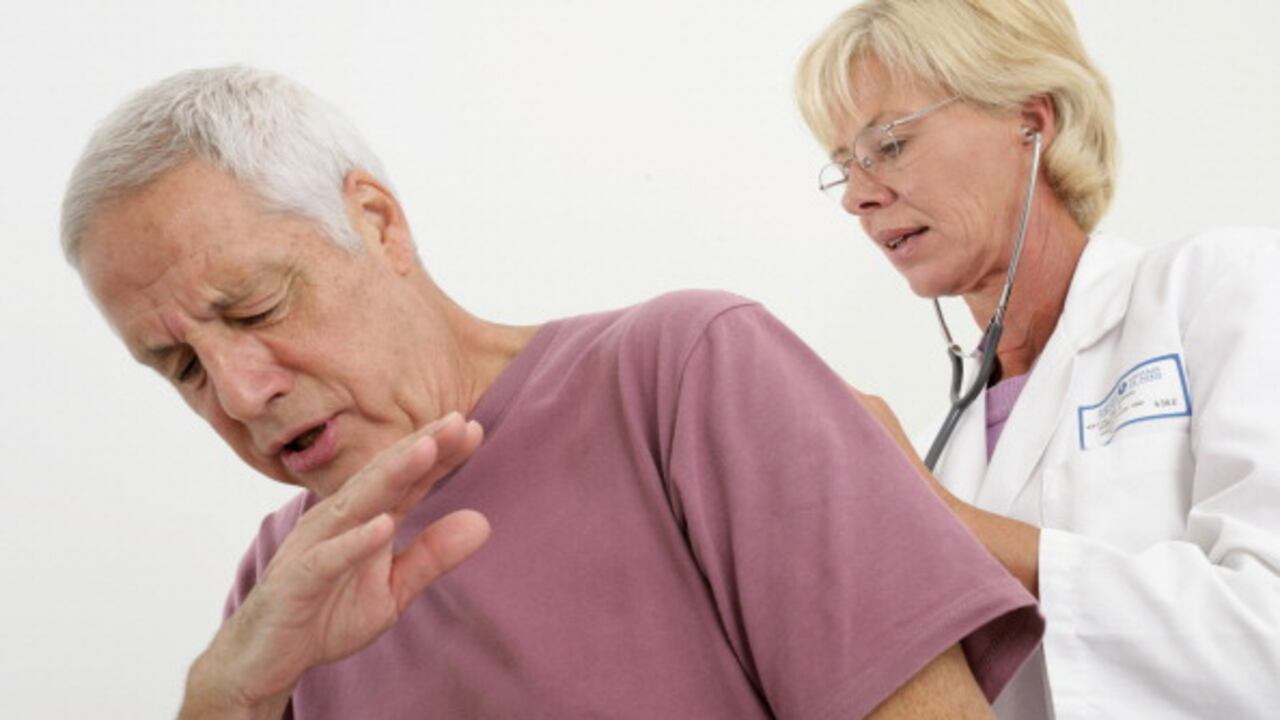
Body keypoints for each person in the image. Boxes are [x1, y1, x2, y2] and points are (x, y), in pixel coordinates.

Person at [61, 66, 1042, 718]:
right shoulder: (283, 583)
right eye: (181, 367)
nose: (238, 393)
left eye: (256, 307)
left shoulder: (688, 374)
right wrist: (219, 697)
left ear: (376, 222)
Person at [795, 1, 1280, 717]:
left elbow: (1265, 636)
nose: (860, 197)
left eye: (889, 145)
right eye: (845, 166)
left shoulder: (1220, 290)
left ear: (1032, 119)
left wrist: (937, 520)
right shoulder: (941, 448)